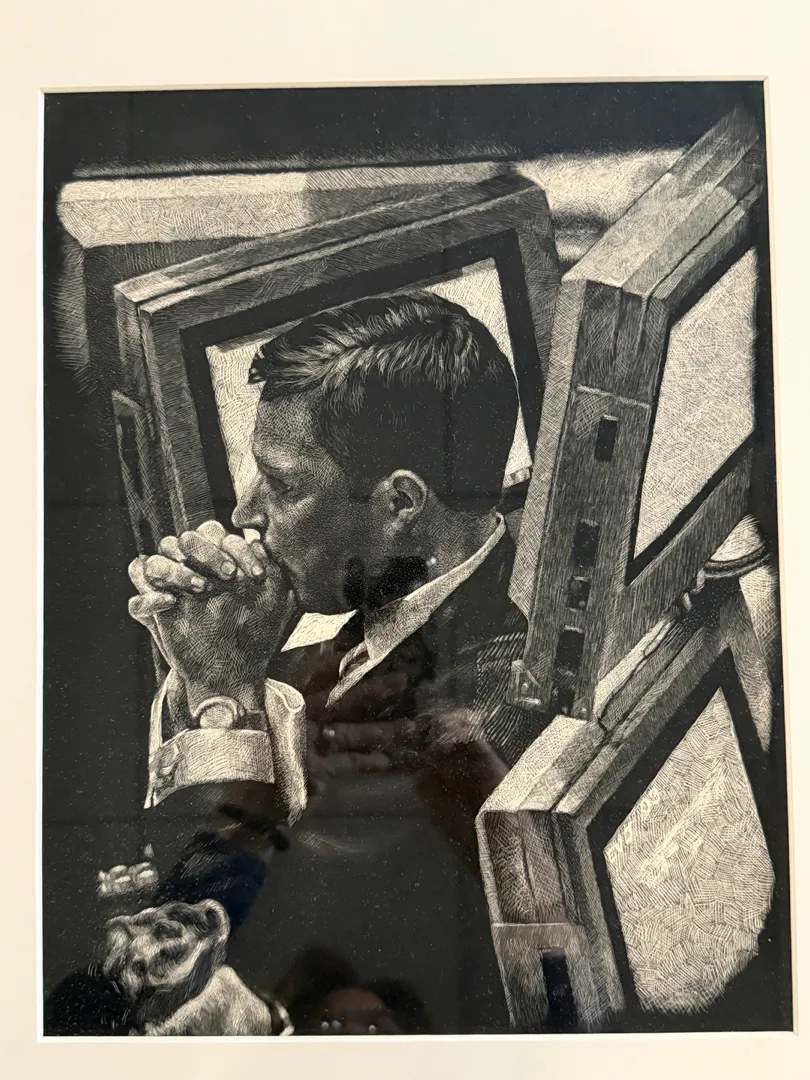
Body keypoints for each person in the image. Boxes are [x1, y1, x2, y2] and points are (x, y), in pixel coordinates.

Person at [126, 290, 548, 1031]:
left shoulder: (468, 728)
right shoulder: (440, 597)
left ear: (400, 504)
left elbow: (234, 953)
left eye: (285, 485)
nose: (246, 514)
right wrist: (205, 676)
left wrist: (223, 691)